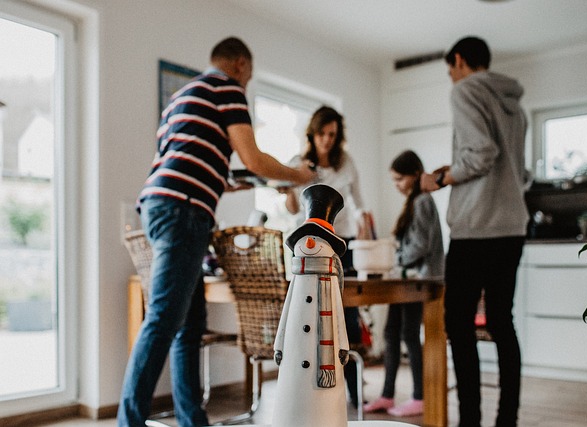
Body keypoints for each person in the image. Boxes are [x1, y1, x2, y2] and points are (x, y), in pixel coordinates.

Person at [117, 37, 315, 427]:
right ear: (240, 64)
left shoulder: (182, 95)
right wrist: (298, 176)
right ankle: (128, 422)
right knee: (163, 319)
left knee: (188, 326)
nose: (247, 84)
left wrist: (236, 181)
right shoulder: (227, 88)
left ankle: (194, 422)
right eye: (250, 76)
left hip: (163, 204)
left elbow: (191, 161)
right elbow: (253, 157)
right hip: (183, 210)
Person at [421, 36, 529, 427]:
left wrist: (439, 177)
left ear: (460, 61)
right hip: (512, 225)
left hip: (476, 228)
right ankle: (506, 421)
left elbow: (481, 154)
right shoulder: (516, 105)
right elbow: (520, 172)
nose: (452, 77)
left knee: (459, 323)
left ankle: (470, 421)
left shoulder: (466, 90)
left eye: (451, 68)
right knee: (502, 321)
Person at [281, 105, 366, 408]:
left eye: (332, 134)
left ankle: (354, 393)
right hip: (307, 249)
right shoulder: (298, 165)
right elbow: (292, 210)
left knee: (349, 320)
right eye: (322, 134)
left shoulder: (347, 165)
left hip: (344, 247)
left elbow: (359, 205)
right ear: (313, 134)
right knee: (305, 316)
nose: (327, 140)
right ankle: (303, 391)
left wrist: (367, 230)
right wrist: (288, 191)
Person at [363, 150, 444, 417]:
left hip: (418, 281)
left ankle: (420, 396)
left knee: (409, 335)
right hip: (406, 279)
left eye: (400, 179)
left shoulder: (422, 202)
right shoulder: (414, 202)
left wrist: (393, 257)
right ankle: (387, 394)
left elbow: (420, 246)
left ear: (415, 175)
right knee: (390, 333)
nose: (397, 185)